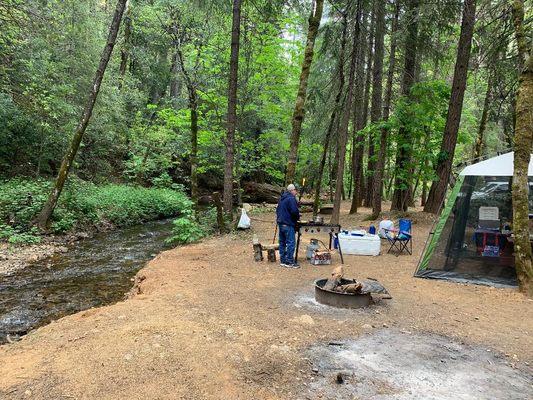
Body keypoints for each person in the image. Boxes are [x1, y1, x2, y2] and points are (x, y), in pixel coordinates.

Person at [276, 184, 300, 268]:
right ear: (292, 190)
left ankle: (283, 260)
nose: (296, 192)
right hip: (288, 223)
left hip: (281, 223)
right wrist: (297, 218)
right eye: (295, 190)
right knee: (291, 243)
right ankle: (289, 261)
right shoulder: (291, 198)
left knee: (282, 242)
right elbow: (294, 211)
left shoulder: (282, 198)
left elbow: (277, 210)